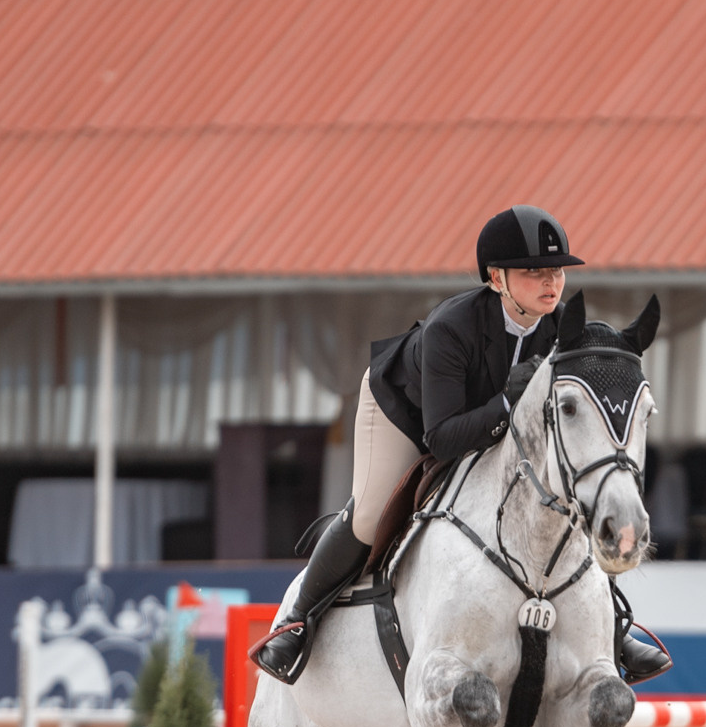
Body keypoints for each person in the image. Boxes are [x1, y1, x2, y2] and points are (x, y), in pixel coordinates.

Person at [251, 206, 672, 686]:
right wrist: (508, 403)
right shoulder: (451, 327)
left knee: (567, 500)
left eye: (556, 271)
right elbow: (443, 439)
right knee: (370, 513)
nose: (550, 282)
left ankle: (615, 628)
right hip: (408, 416)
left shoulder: (562, 329)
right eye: (532, 272)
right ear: (496, 278)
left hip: (489, 423)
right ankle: (297, 623)